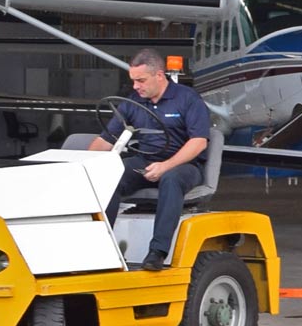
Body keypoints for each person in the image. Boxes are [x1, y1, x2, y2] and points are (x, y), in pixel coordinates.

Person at [90, 49, 211, 270]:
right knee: (109, 177)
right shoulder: (133, 102)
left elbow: (199, 142)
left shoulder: (187, 99)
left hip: (183, 165)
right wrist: (85, 165)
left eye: (141, 80)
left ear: (159, 75)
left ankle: (157, 251)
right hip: (144, 162)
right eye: (133, 81)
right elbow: (106, 141)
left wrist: (166, 166)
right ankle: (101, 248)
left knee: (171, 179)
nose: (136, 86)